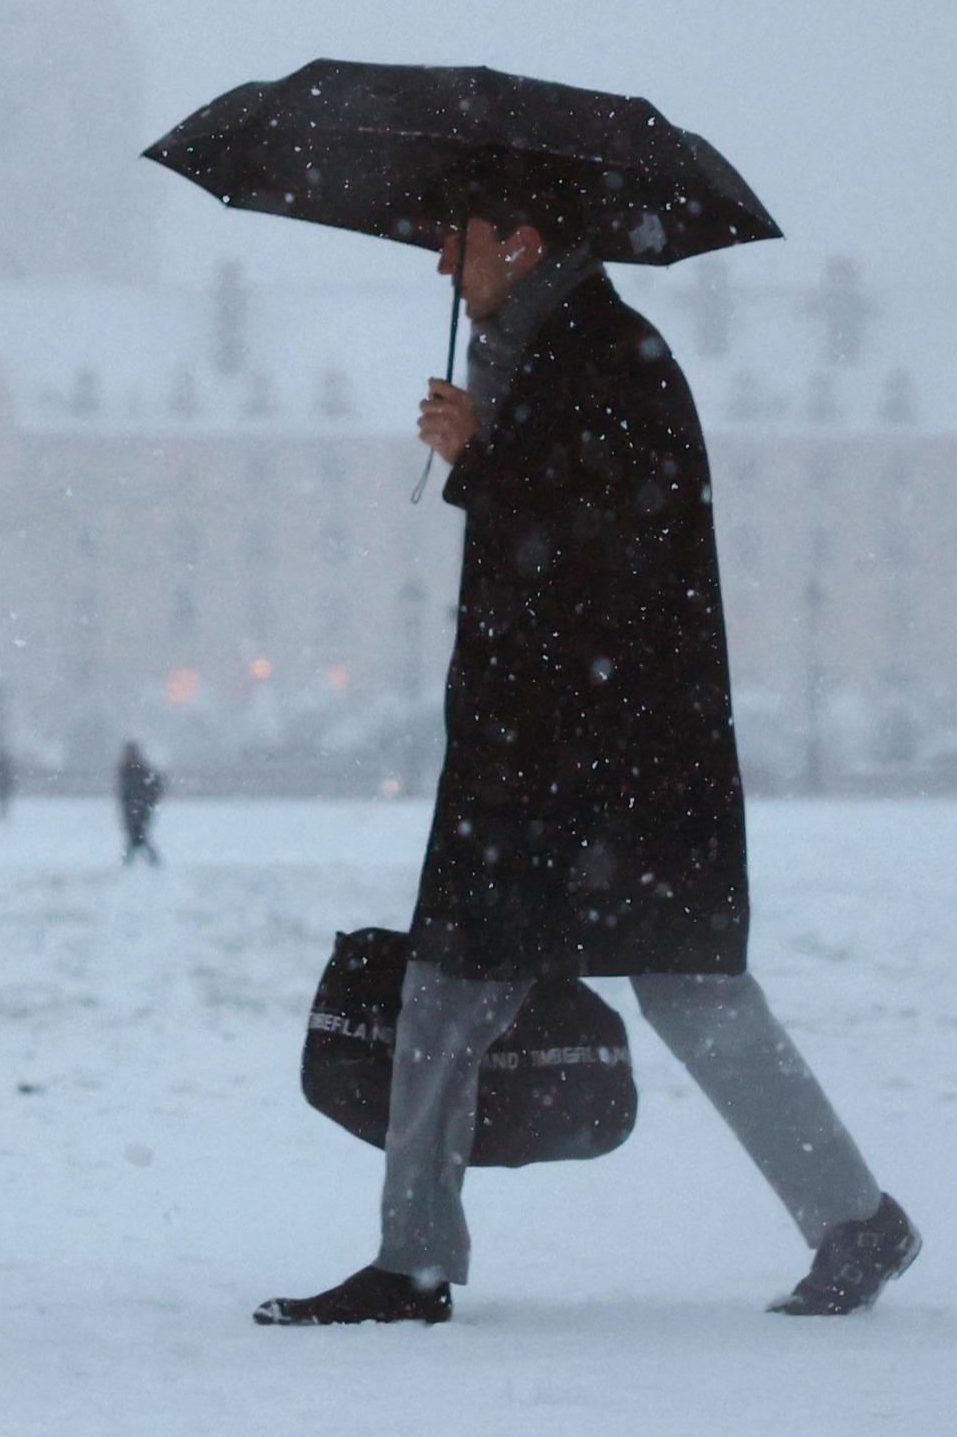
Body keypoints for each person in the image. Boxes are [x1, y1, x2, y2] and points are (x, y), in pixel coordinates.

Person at [256, 194, 919, 1327]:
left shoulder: (612, 358)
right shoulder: (558, 354)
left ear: (521, 239)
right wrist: (489, 452)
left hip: (599, 755)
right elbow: (575, 540)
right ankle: (418, 1258)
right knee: (469, 996)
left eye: (452, 240)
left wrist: (481, 459)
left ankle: (848, 1220)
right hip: (567, 750)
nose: (439, 268)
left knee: (647, 989)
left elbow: (607, 554)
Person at [116, 742, 163, 867]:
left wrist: (146, 801)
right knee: (136, 839)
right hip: (130, 811)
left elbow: (155, 786)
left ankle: (130, 865)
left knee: (138, 838)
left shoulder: (141, 771)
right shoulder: (124, 771)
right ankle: (150, 863)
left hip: (140, 811)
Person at [0, 749, 15, 822]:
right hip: (3, 785)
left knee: (1, 800)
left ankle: (1, 813)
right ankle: (2, 813)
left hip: (1, 785)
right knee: (3, 800)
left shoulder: (0, 766)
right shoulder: (6, 766)